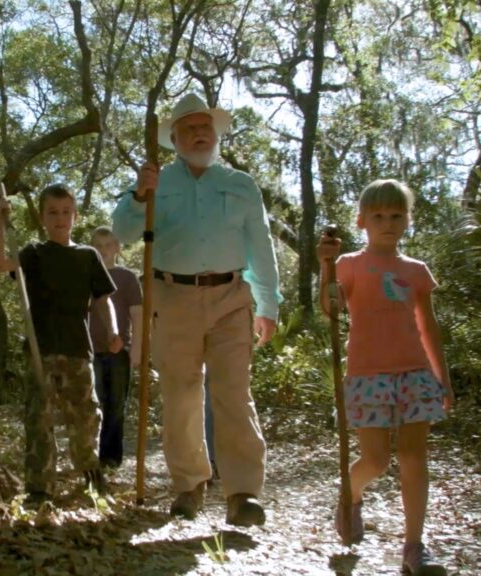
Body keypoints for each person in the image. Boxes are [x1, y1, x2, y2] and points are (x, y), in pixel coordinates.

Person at [112, 93, 281, 526]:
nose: (199, 133)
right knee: (182, 394)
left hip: (230, 298)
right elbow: (123, 232)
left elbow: (261, 247)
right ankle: (189, 486)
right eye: (188, 127)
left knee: (233, 394)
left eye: (205, 126)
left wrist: (269, 305)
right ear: (174, 137)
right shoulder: (157, 180)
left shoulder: (240, 184)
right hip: (172, 297)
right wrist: (138, 194)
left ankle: (243, 493)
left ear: (216, 132)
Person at [317, 179, 453, 575]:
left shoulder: (416, 271)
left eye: (396, 215)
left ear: (407, 220)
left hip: (414, 373)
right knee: (375, 460)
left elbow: (428, 326)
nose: (388, 223)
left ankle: (414, 547)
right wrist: (326, 265)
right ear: (362, 221)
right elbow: (331, 309)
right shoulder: (350, 264)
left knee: (413, 456)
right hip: (367, 374)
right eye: (378, 216)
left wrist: (442, 377)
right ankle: (349, 496)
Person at [0, 183, 123, 505]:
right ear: (43, 217)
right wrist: (0, 220)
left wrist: (113, 331)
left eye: (66, 212)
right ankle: (39, 490)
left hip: (79, 352)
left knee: (86, 419)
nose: (60, 218)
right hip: (42, 352)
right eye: (53, 212)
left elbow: (103, 300)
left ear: (75, 216)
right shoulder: (34, 253)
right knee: (39, 421)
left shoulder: (88, 256)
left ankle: (92, 479)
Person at [87, 226, 142, 469]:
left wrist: (138, 349)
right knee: (94, 403)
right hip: (91, 350)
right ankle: (93, 456)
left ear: (117, 248)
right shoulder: (86, 275)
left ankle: (111, 458)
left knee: (116, 405)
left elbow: (138, 315)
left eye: (108, 245)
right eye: (98, 246)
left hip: (120, 351)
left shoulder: (127, 277)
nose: (104, 250)